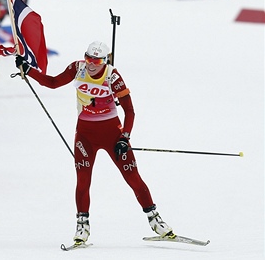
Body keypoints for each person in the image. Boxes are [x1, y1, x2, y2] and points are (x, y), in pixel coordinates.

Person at [15, 41, 173, 246]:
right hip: (85, 135)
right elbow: (52, 83)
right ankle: (82, 227)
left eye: (96, 60)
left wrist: (125, 137)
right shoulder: (77, 68)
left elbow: (130, 111)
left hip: (112, 135)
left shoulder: (113, 76)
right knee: (83, 180)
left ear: (105, 60)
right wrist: (28, 70)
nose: (91, 64)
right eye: (88, 58)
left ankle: (156, 221)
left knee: (133, 177)